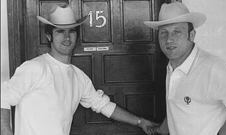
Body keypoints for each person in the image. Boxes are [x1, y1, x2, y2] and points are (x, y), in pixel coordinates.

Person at [1, 4, 158, 135]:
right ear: (49, 36)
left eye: (72, 31)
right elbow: (3, 97)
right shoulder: (35, 67)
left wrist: (140, 122)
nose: (67, 37)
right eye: (60, 31)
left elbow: (104, 105)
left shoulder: (78, 77)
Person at [144, 2, 226, 135]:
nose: (169, 39)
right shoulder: (171, 66)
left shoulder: (212, 67)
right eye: (164, 33)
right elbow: (178, 107)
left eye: (177, 32)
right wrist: (161, 130)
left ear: (192, 35)